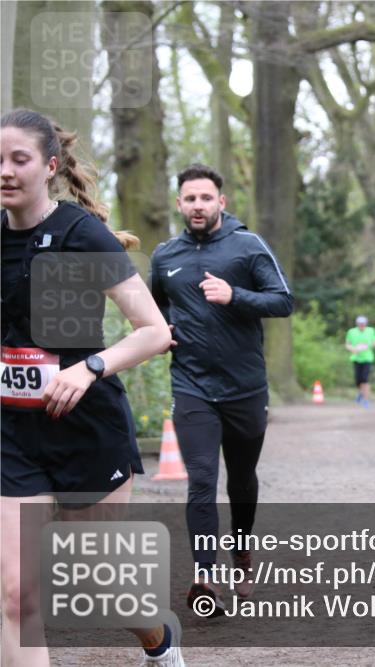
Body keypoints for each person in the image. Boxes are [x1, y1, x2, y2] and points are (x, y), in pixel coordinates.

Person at [1, 109, 181, 665]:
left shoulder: (82, 234)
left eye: (19, 159)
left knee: (97, 585)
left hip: (86, 429)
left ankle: (158, 638)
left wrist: (88, 369)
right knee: (14, 592)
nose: (5, 171)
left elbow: (155, 332)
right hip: (12, 433)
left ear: (50, 166)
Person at [149, 164, 293, 616]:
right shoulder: (164, 256)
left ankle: (243, 548)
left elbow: (283, 300)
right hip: (191, 386)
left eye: (205, 198)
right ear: (179, 204)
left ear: (221, 202)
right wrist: (161, 332)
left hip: (245, 387)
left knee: (242, 480)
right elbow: (156, 310)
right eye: (190, 199)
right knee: (202, 480)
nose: (197, 206)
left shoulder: (247, 246)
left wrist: (236, 296)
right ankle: (204, 576)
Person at [345, 315, 375, 408]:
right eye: (360, 324)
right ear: (357, 324)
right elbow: (347, 344)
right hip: (356, 358)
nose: (362, 326)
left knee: (365, 379)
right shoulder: (351, 332)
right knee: (358, 380)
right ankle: (360, 393)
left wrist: (367, 345)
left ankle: (365, 399)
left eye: (363, 324)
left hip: (367, 358)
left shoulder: (371, 331)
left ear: (366, 324)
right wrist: (353, 349)